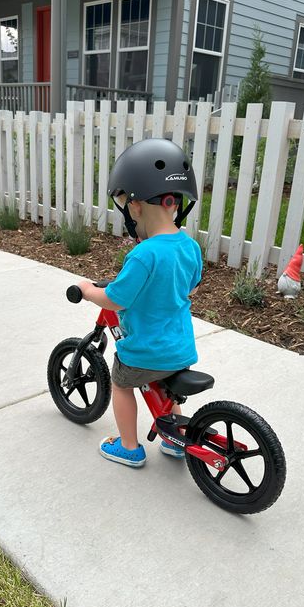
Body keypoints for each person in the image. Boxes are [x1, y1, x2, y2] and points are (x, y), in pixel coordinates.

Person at [78, 138, 202, 468]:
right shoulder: (189, 247)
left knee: (121, 384)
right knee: (166, 387)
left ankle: (129, 447)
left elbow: (117, 299)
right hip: (181, 347)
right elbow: (191, 283)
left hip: (147, 350)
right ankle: (176, 441)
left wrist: (89, 291)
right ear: (175, 203)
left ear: (135, 206)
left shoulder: (143, 254)